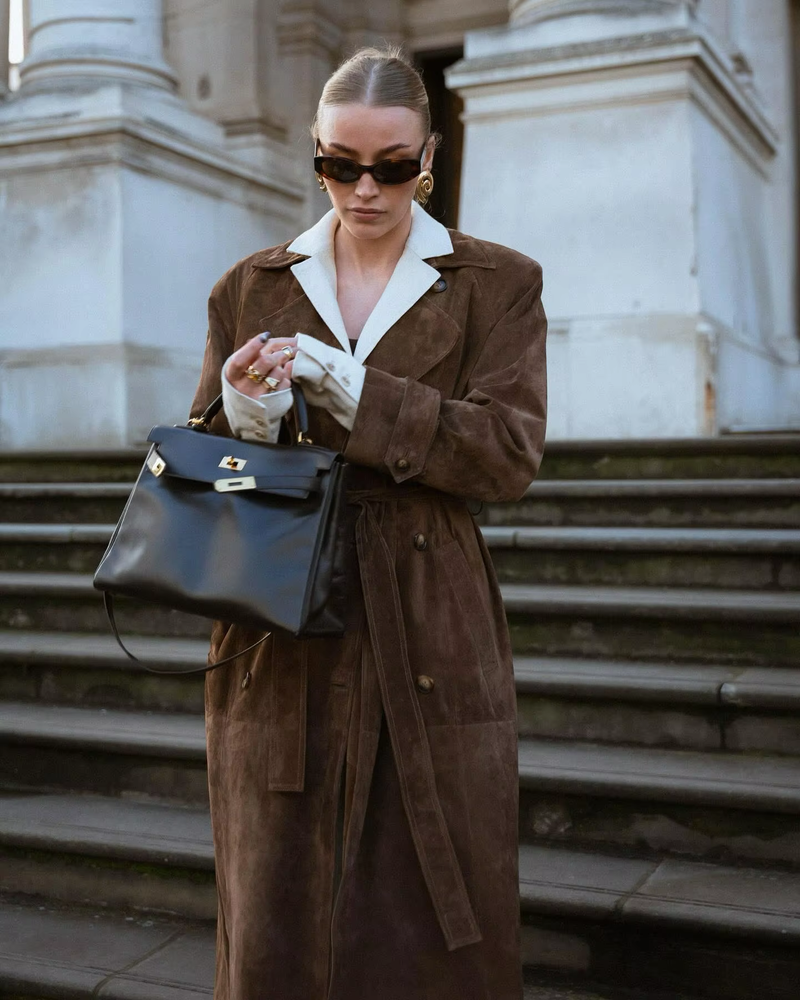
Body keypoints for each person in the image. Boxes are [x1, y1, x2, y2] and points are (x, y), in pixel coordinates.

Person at [189, 44, 547, 1000]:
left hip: (429, 618)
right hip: (279, 629)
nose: (365, 187)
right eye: (339, 164)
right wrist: (249, 413)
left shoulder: (495, 283)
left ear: (429, 154)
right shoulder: (248, 287)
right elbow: (205, 466)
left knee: (425, 924)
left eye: (392, 165)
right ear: (315, 154)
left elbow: (508, 454)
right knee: (278, 919)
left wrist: (359, 393)